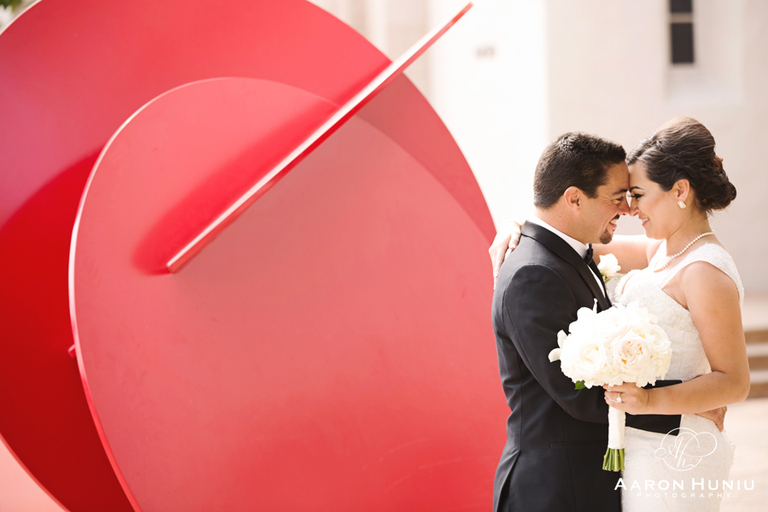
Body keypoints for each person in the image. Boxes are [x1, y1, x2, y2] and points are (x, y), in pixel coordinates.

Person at [491, 118, 748, 512]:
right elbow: (564, 242)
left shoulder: (703, 270)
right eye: (622, 196)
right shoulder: (660, 251)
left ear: (679, 191)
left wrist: (656, 402)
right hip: (629, 446)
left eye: (638, 194)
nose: (629, 208)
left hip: (672, 452)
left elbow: (734, 381)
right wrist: (518, 225)